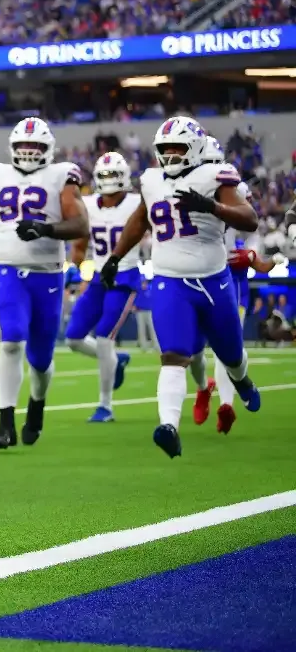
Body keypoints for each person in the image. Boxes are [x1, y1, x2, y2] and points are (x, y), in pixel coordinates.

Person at [99, 116, 261, 458]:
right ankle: (169, 425)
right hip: (169, 281)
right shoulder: (152, 180)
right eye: (165, 149)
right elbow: (140, 220)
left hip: (214, 282)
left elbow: (250, 218)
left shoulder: (214, 175)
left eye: (178, 148)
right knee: (173, 355)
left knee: (231, 355)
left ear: (196, 148)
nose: (171, 155)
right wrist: (115, 257)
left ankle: (243, 381)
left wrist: (212, 206)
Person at [0, 117, 90, 450]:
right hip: (8, 270)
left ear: (48, 149)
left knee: (41, 359)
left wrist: (46, 229)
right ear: (13, 148)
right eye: (24, 147)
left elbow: (80, 223)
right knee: (11, 341)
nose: (29, 152)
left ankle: (36, 404)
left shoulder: (61, 176)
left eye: (36, 146)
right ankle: (5, 424)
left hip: (47, 273)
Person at [190, 136, 282, 435]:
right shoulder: (178, 186)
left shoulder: (234, 188)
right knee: (189, 350)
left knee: (224, 347)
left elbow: (252, 226)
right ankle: (205, 388)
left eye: (215, 164)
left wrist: (252, 252)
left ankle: (227, 404)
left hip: (230, 276)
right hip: (192, 273)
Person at [64, 152, 137, 422]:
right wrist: (75, 266)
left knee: (105, 337)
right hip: (98, 277)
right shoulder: (89, 205)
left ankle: (105, 405)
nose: (108, 181)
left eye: (113, 175)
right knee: (73, 337)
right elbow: (81, 244)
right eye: (104, 175)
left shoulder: (136, 203)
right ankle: (117, 360)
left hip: (125, 276)